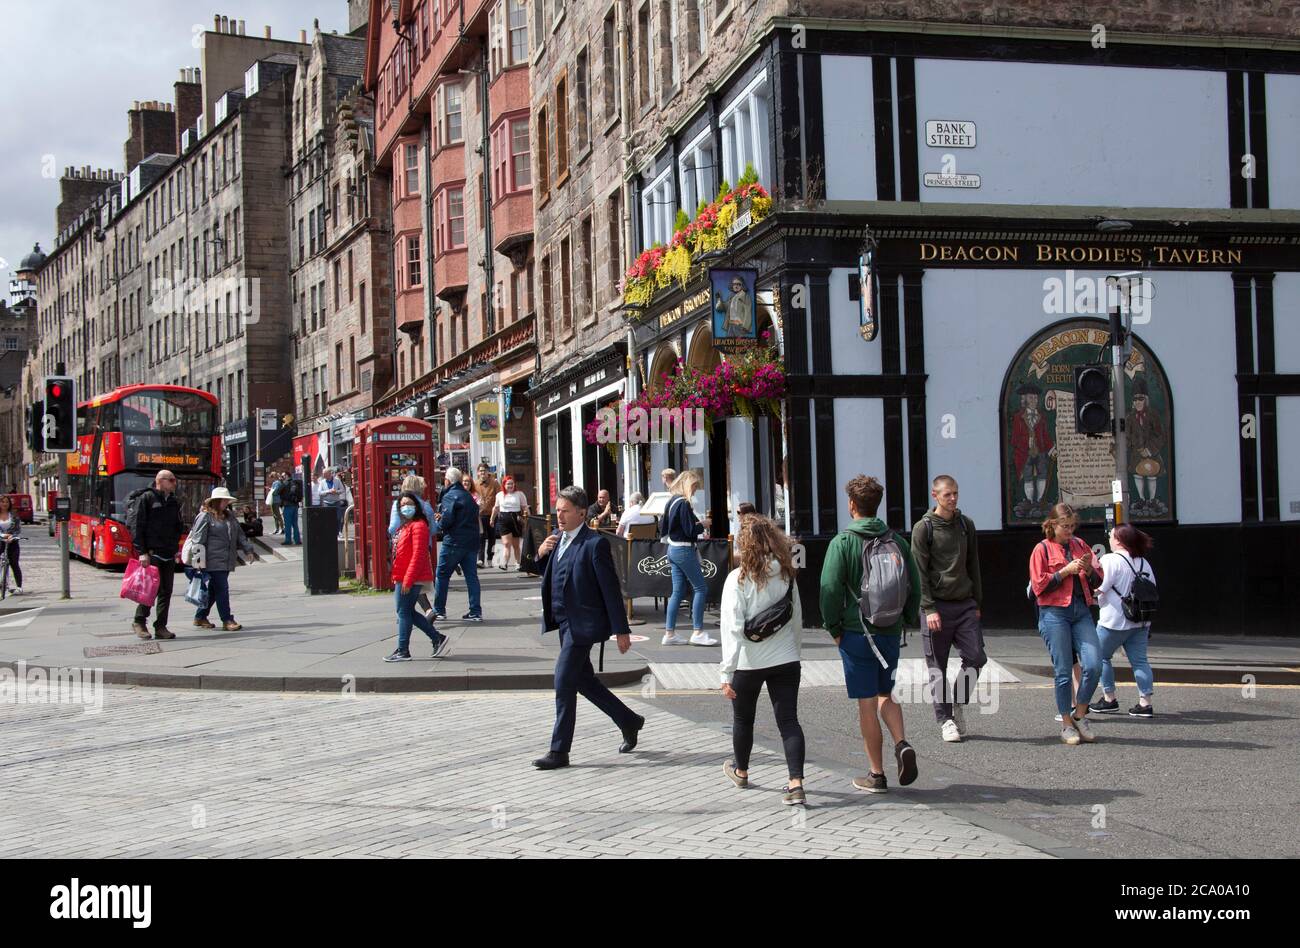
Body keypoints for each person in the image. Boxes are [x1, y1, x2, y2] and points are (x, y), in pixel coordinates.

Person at [819, 475, 921, 794]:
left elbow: (830, 591)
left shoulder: (843, 543)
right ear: (877, 505)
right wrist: (904, 620)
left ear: (852, 505)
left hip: (856, 633)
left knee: (866, 704)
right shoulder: (897, 541)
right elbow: (914, 586)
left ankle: (876, 775)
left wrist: (834, 629)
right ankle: (901, 742)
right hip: (889, 631)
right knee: (885, 694)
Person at [532, 485, 644, 770]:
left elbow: (610, 589)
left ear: (582, 513)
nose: (559, 515)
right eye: (557, 510)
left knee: (563, 680)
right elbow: (551, 576)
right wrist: (540, 555)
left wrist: (621, 630)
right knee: (583, 681)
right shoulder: (557, 540)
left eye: (565, 511)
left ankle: (559, 751)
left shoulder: (595, 544)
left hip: (583, 624)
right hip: (564, 623)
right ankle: (629, 720)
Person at [719, 515, 806, 806]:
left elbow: (732, 628)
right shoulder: (786, 574)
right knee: (789, 721)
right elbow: (796, 618)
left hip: (747, 662)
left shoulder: (738, 578)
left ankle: (741, 771)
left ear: (744, 544)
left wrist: (725, 672)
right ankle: (796, 784)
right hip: (785, 659)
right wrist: (796, 654)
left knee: (743, 718)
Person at [911, 475, 986, 743]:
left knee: (977, 658)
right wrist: (929, 608)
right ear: (935, 495)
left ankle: (957, 703)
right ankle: (945, 721)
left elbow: (973, 564)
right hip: (937, 607)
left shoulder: (966, 525)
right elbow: (918, 572)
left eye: (955, 493)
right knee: (937, 667)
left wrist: (976, 602)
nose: (953, 498)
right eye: (947, 495)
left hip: (964, 604)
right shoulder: (924, 529)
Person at [1029, 502, 1104, 746]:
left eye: (1072, 526)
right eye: (1065, 526)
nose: (1069, 530)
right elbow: (1039, 585)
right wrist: (1064, 571)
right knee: (1063, 671)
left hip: (1081, 610)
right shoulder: (1041, 549)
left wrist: (1088, 570)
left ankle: (1080, 714)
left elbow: (1098, 577)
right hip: (1054, 613)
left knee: (1094, 664)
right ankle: (1066, 724)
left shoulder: (1080, 545)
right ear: (1052, 525)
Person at [1090, 524, 1157, 718]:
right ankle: (1145, 704)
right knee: (1140, 661)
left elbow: (1100, 587)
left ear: (1119, 540)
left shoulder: (1110, 559)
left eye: (1111, 536)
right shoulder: (1144, 562)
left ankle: (1109, 699)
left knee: (1101, 657)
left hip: (1114, 621)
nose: (1109, 539)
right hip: (1140, 621)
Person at [384, 491, 451, 662]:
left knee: (403, 612)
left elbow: (419, 554)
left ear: (416, 506)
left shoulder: (419, 525)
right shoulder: (405, 526)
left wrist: (408, 578)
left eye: (409, 504)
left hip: (412, 576)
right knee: (406, 612)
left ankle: (403, 650)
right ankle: (437, 638)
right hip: (402, 575)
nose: (406, 507)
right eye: (402, 505)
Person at [661, 470, 718, 647]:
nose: (694, 491)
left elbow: (663, 527)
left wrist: (697, 524)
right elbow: (690, 530)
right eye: (694, 487)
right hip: (684, 550)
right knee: (700, 588)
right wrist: (703, 525)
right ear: (687, 485)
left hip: (673, 549)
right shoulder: (684, 503)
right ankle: (698, 631)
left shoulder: (671, 501)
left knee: (677, 592)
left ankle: (669, 633)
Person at [189, 487, 259, 631]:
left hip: (226, 558)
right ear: (216, 501)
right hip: (211, 559)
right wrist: (198, 562)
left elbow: (239, 534)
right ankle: (227, 619)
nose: (226, 502)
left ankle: (200, 616)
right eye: (224, 500)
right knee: (222, 588)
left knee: (214, 590)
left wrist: (248, 550)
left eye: (227, 500)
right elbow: (198, 540)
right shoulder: (205, 516)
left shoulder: (229, 516)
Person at [129, 469, 184, 640]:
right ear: (160, 481)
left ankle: (161, 626)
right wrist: (142, 552)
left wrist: (175, 547)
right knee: (150, 589)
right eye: (172, 480)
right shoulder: (147, 498)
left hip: (168, 551)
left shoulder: (173, 501)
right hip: (152, 552)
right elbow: (137, 525)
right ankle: (139, 621)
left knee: (166, 591)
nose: (175, 483)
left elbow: (177, 526)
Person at [432, 467, 483, 622]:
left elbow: (446, 521)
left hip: (453, 542)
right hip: (471, 542)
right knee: (472, 577)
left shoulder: (449, 496)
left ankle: (439, 610)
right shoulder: (468, 496)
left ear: (448, 480)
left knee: (442, 575)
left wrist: (438, 521)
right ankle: (475, 611)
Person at [491, 474, 530, 570]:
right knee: (506, 543)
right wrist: (492, 519)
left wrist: (528, 518)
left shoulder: (519, 494)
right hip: (504, 519)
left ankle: (518, 563)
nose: (510, 486)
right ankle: (504, 563)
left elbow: (524, 507)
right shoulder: (499, 495)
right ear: (504, 485)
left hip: (515, 519)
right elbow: (496, 508)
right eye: (508, 484)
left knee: (516, 544)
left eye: (512, 484)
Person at [475, 465, 500, 567]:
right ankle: (480, 560)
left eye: (484, 471)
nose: (482, 473)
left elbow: (499, 496)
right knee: (480, 537)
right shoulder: (475, 484)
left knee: (492, 538)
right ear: (478, 473)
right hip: (480, 515)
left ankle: (490, 558)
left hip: (492, 515)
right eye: (480, 471)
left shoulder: (494, 483)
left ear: (488, 472)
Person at [0, 495, 23, 594]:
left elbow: (18, 529)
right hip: (0, 541)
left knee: (14, 563)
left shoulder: (14, 515)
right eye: (2, 502)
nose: (4, 504)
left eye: (7, 502)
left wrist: (12, 536)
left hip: (12, 542)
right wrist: (3, 535)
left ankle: (19, 587)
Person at [315, 468, 348, 535]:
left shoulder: (337, 480)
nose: (323, 476)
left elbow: (342, 490)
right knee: (328, 519)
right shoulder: (322, 482)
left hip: (336, 502)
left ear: (329, 474)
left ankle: (339, 532)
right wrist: (328, 491)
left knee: (338, 518)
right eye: (323, 474)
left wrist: (336, 492)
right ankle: (329, 532)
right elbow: (319, 492)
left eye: (325, 474)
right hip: (327, 502)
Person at [280, 475, 303, 545]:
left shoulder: (285, 483)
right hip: (295, 505)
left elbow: (277, 491)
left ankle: (288, 540)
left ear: (287, 476)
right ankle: (297, 540)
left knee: (287, 524)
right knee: (295, 524)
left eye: (283, 476)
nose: (282, 477)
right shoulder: (296, 483)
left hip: (287, 506)